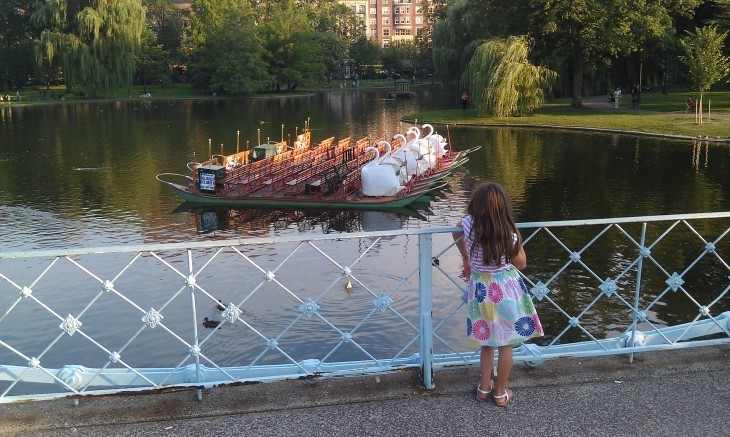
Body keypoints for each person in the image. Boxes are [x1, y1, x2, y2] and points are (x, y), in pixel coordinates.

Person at [452, 182, 544, 407]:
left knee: (487, 342)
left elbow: (455, 232)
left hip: (481, 290)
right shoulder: (508, 233)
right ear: (504, 207)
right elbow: (521, 264)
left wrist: (466, 257)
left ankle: (484, 389)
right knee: (506, 344)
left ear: (476, 204)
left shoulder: (468, 224)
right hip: (505, 290)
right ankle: (500, 393)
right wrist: (518, 239)